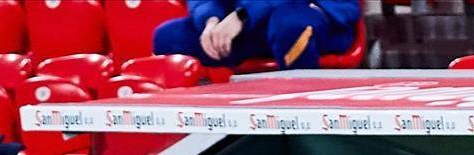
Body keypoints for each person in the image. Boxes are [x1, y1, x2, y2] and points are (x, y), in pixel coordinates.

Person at [153, 0, 360, 70]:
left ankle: (304, 117)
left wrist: (243, 16)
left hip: (311, 15)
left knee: (288, 27)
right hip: (249, 27)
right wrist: (210, 20)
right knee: (168, 38)